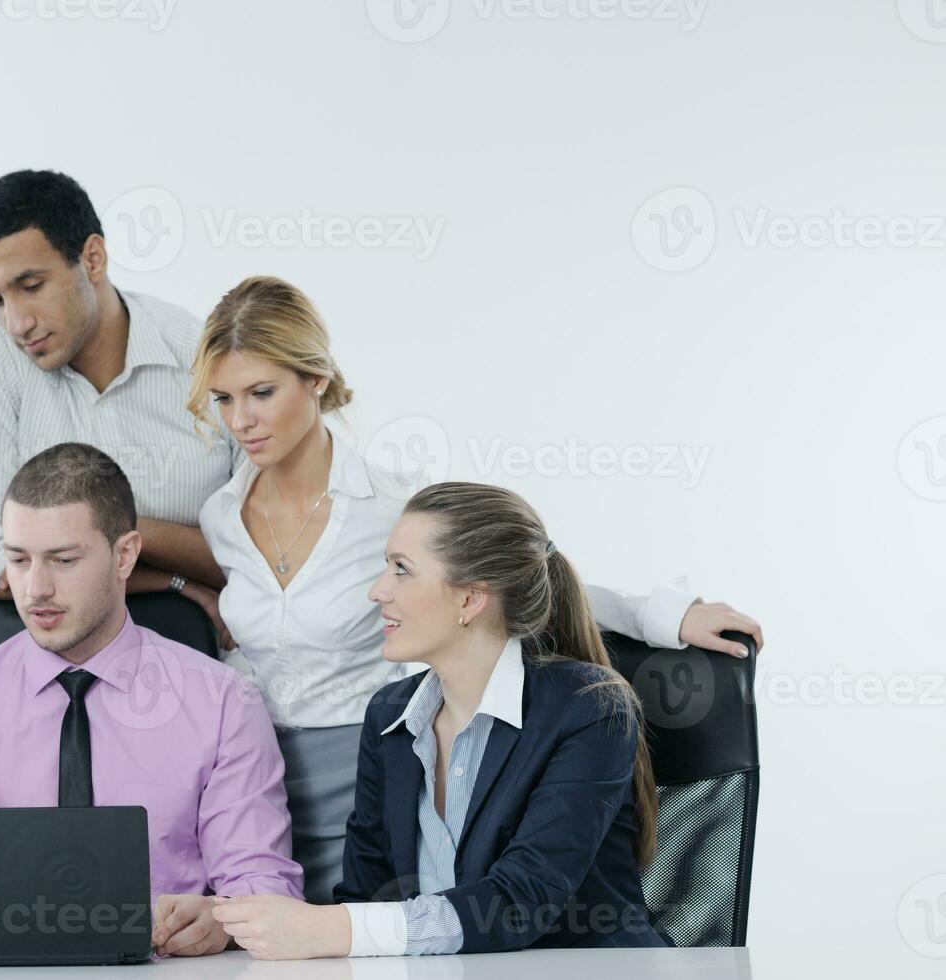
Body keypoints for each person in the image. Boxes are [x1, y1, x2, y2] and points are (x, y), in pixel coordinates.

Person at [188, 275, 764, 903]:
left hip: (371, 774)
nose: (239, 420)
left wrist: (661, 616)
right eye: (222, 399)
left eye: (261, 393)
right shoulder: (221, 515)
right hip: (260, 787)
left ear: (316, 380)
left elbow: (509, 568)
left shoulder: (391, 505)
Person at [0, 443, 303, 961]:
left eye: (64, 560)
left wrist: (222, 920)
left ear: (125, 555)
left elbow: (264, 885)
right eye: (18, 560)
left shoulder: (225, 704)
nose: (35, 589)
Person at [212, 482, 667, 957]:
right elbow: (369, 896)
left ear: (470, 600)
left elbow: (521, 900)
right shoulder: (389, 715)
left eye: (401, 571)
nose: (377, 591)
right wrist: (232, 918)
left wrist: (332, 929)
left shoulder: (589, 707)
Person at [0, 169, 237, 645]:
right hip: (49, 669)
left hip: (202, 661)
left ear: (93, 258)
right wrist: (169, 580)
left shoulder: (204, 359)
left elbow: (261, 561)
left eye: (31, 285)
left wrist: (121, 528)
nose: (16, 323)